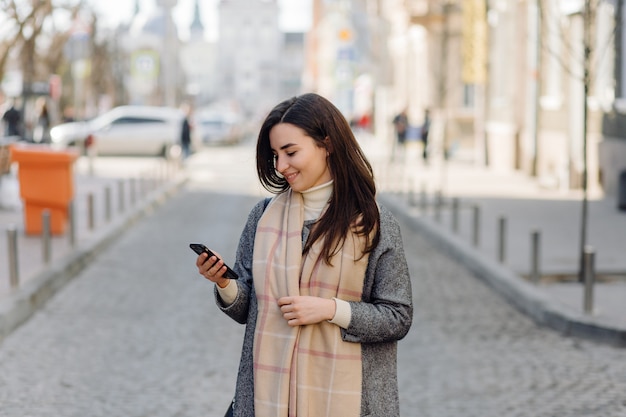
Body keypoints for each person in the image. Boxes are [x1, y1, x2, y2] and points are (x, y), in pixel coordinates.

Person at [194, 93, 413, 417]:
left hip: (352, 402)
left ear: (327, 144)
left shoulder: (373, 224)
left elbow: (398, 317)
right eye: (275, 155)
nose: (281, 166)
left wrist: (330, 309)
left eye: (291, 152)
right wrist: (225, 283)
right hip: (266, 399)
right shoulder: (263, 217)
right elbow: (247, 310)